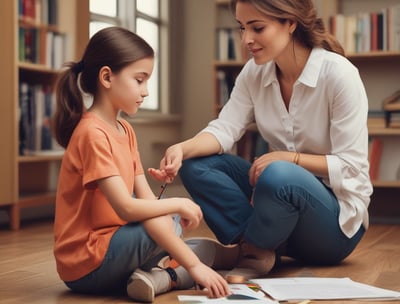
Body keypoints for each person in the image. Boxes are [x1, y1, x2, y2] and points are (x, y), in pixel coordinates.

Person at [150, 0, 373, 277]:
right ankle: (258, 247)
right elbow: (225, 128)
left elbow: (351, 166)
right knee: (196, 165)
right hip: (278, 205)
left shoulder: (339, 75)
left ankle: (251, 251)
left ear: (290, 23)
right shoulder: (254, 73)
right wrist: (181, 149)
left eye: (257, 28)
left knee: (279, 173)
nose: (246, 40)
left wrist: (289, 159)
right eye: (242, 28)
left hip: (335, 226)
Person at [52, 26, 240, 303]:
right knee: (169, 221)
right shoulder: (91, 133)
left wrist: (170, 209)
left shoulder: (124, 130)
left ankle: (158, 277)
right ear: (107, 77)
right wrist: (178, 204)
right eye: (139, 80)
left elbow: (147, 202)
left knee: (166, 220)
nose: (146, 91)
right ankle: (180, 271)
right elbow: (127, 209)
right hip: (85, 264)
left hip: (112, 245)